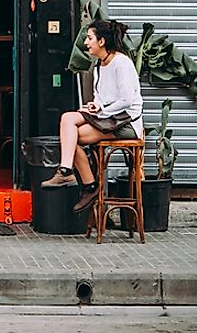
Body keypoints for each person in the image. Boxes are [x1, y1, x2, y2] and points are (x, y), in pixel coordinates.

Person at [40, 19, 144, 214]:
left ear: (102, 41)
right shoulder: (99, 65)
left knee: (74, 138)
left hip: (126, 123)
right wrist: (94, 106)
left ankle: (87, 184)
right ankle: (66, 171)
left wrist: (102, 109)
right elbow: (100, 97)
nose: (86, 43)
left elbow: (127, 100)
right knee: (67, 120)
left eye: (89, 38)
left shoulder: (121, 63)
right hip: (107, 119)